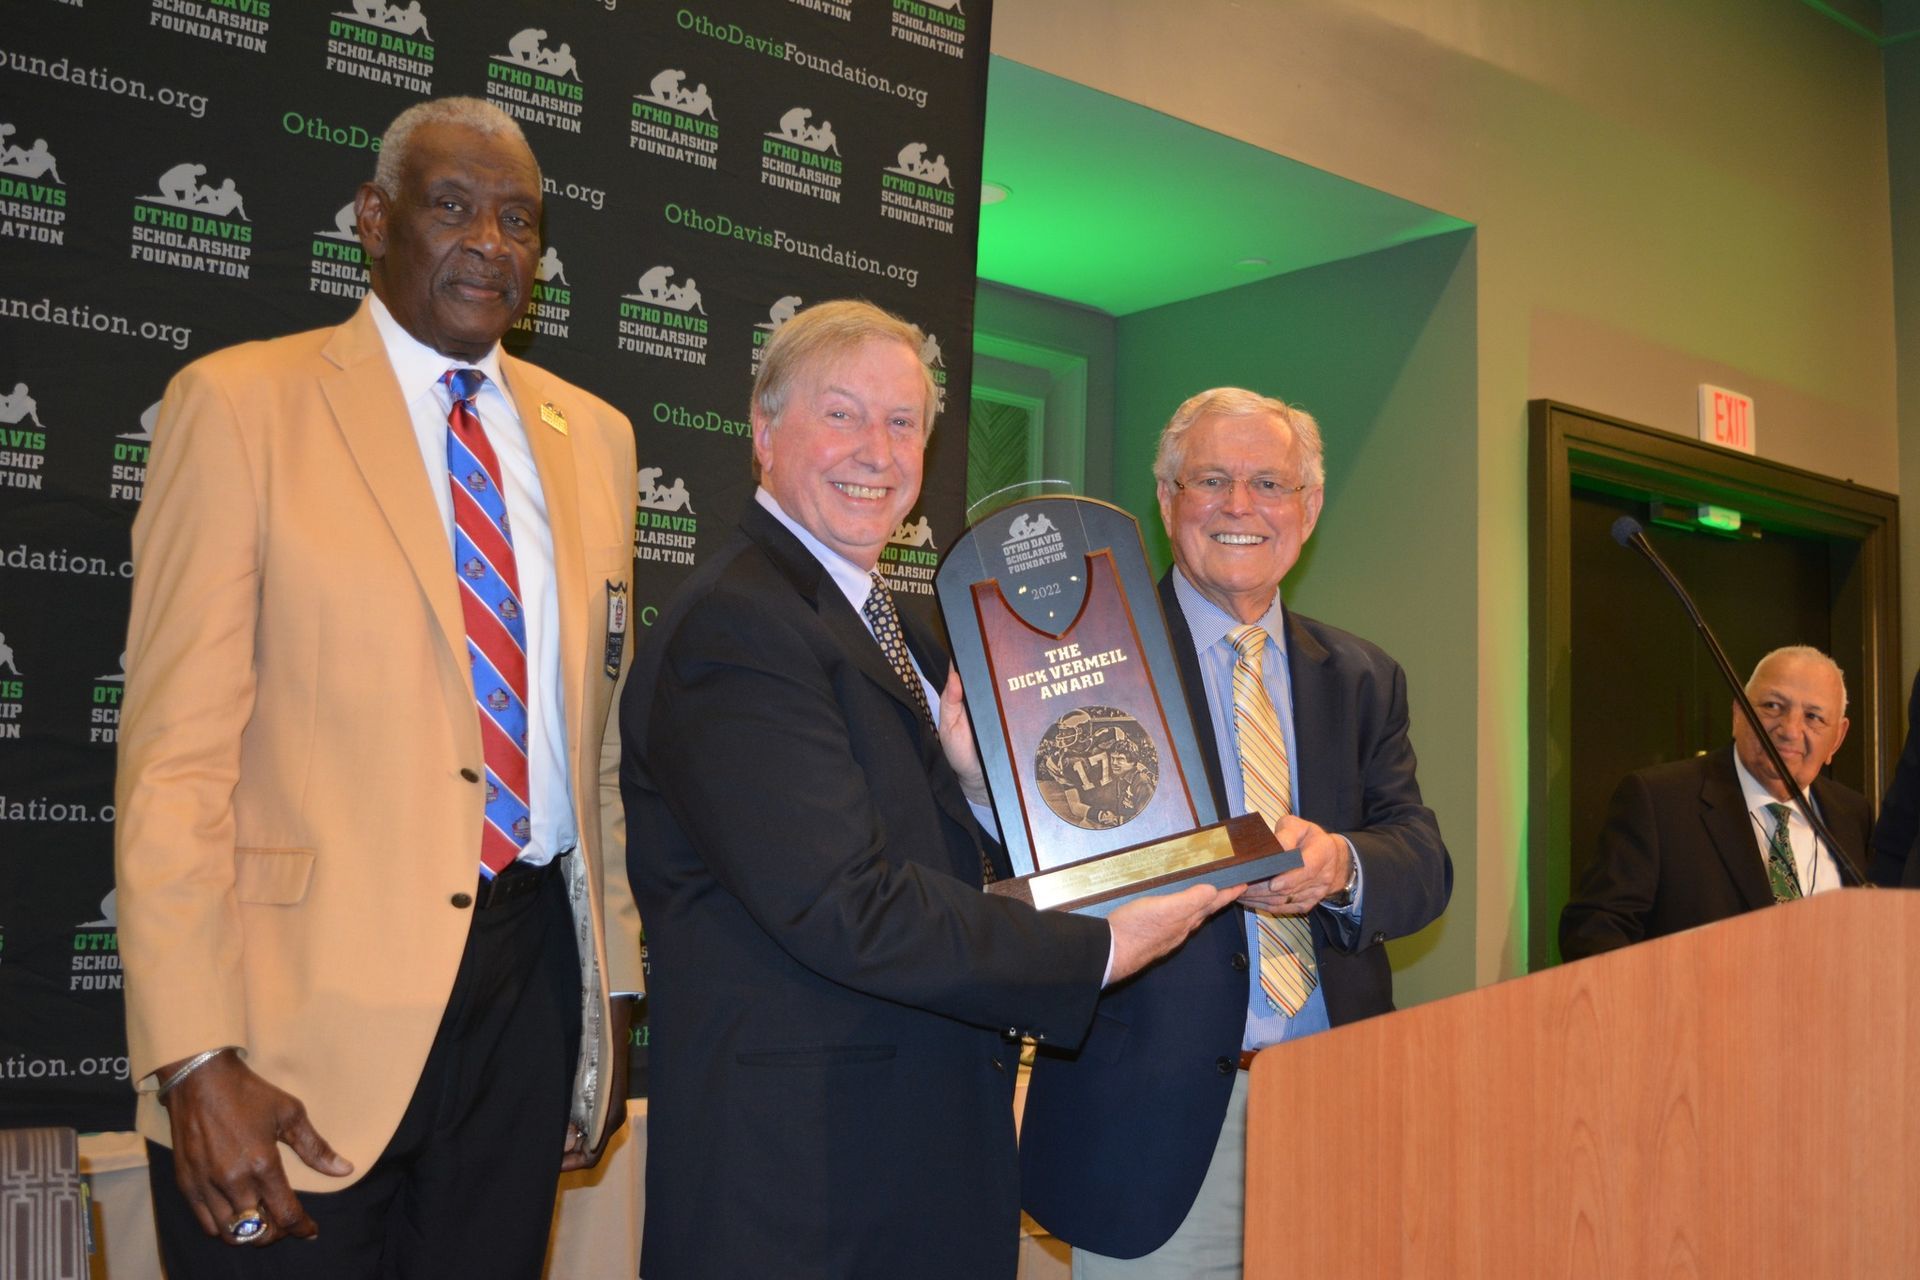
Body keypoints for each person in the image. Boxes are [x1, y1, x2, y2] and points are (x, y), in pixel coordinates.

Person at [114, 97, 641, 1277]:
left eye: (518, 219)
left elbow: (591, 752)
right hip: (293, 1038)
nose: (490, 243)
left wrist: (609, 995)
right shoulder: (240, 405)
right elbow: (173, 763)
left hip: (527, 996)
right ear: (373, 218)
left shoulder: (594, 438)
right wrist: (196, 1055)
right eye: (452, 206)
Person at [621, 300, 1240, 1279]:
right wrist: (1102, 944)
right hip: (802, 1197)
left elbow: (919, 853)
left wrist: (975, 787)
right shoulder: (739, 628)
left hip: (912, 1169)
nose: (877, 449)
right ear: (763, 432)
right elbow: (846, 906)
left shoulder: (902, 626)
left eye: (903, 421)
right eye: (843, 414)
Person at [1019, 387, 1454, 1276]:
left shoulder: (1365, 676)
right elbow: (1048, 864)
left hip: (1337, 1119)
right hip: (1151, 1133)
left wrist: (1341, 865)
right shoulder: (1087, 659)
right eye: (1211, 479)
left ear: (1311, 507)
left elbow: (1421, 860)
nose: (1240, 507)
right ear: (1168, 497)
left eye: (1269, 483)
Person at [1560, 645, 1871, 960]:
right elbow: (1594, 932)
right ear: (1737, 713)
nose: (1790, 730)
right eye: (1773, 706)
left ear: (1838, 738)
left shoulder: (1852, 816)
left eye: (1813, 716)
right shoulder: (1660, 801)